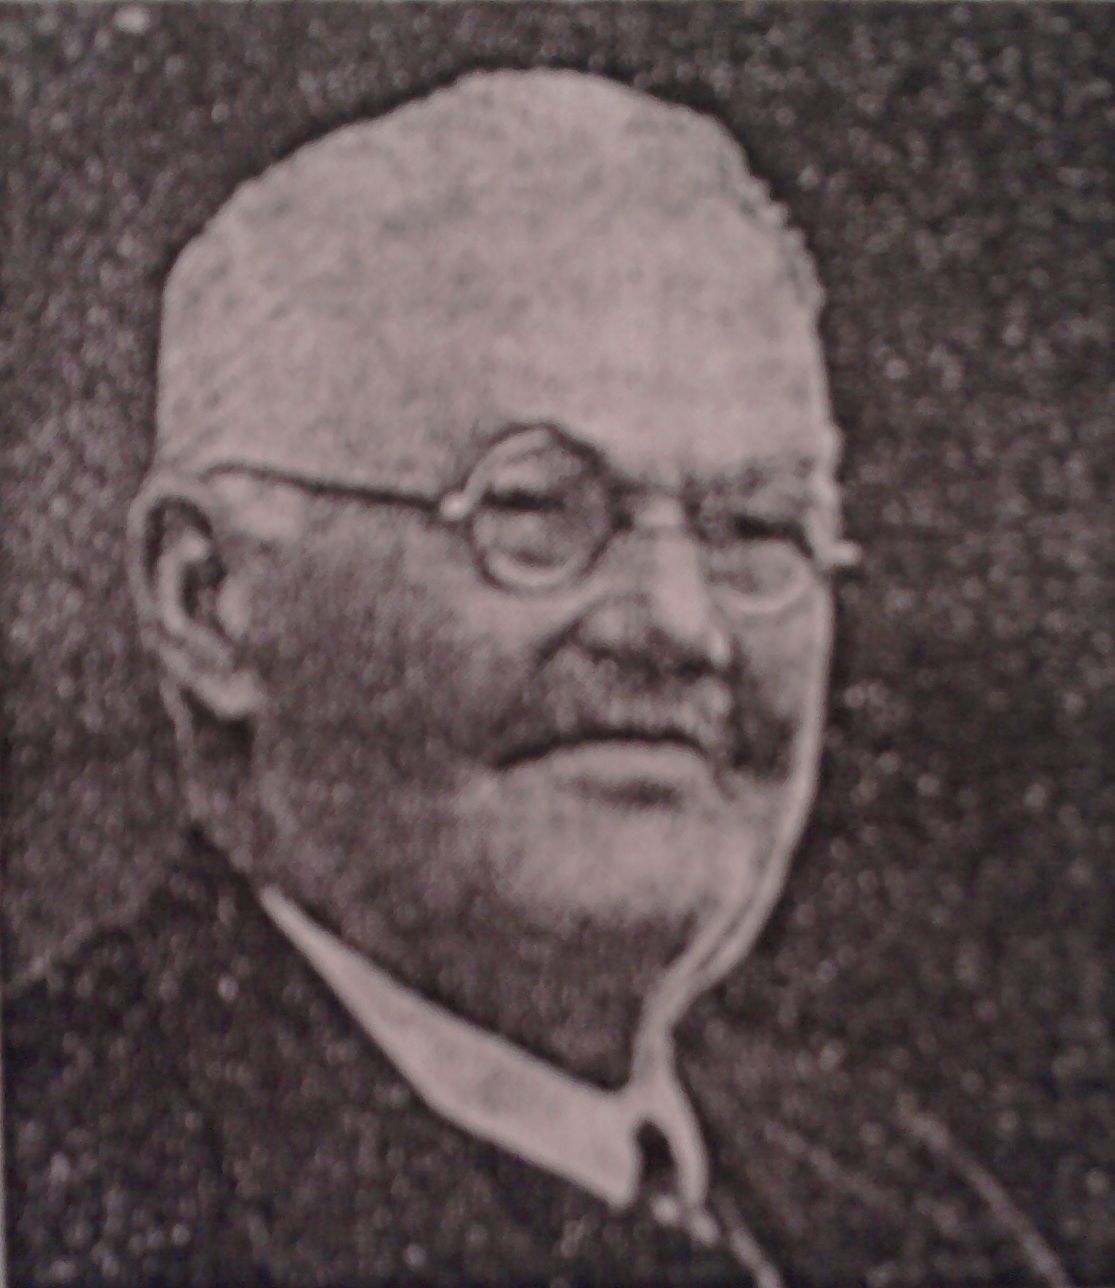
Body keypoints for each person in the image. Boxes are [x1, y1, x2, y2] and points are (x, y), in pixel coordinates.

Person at [4, 70, 1070, 1286]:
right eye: (534, 509)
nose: (678, 623)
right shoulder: (56, 1195)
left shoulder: (910, 1208)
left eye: (757, 527)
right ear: (210, 600)